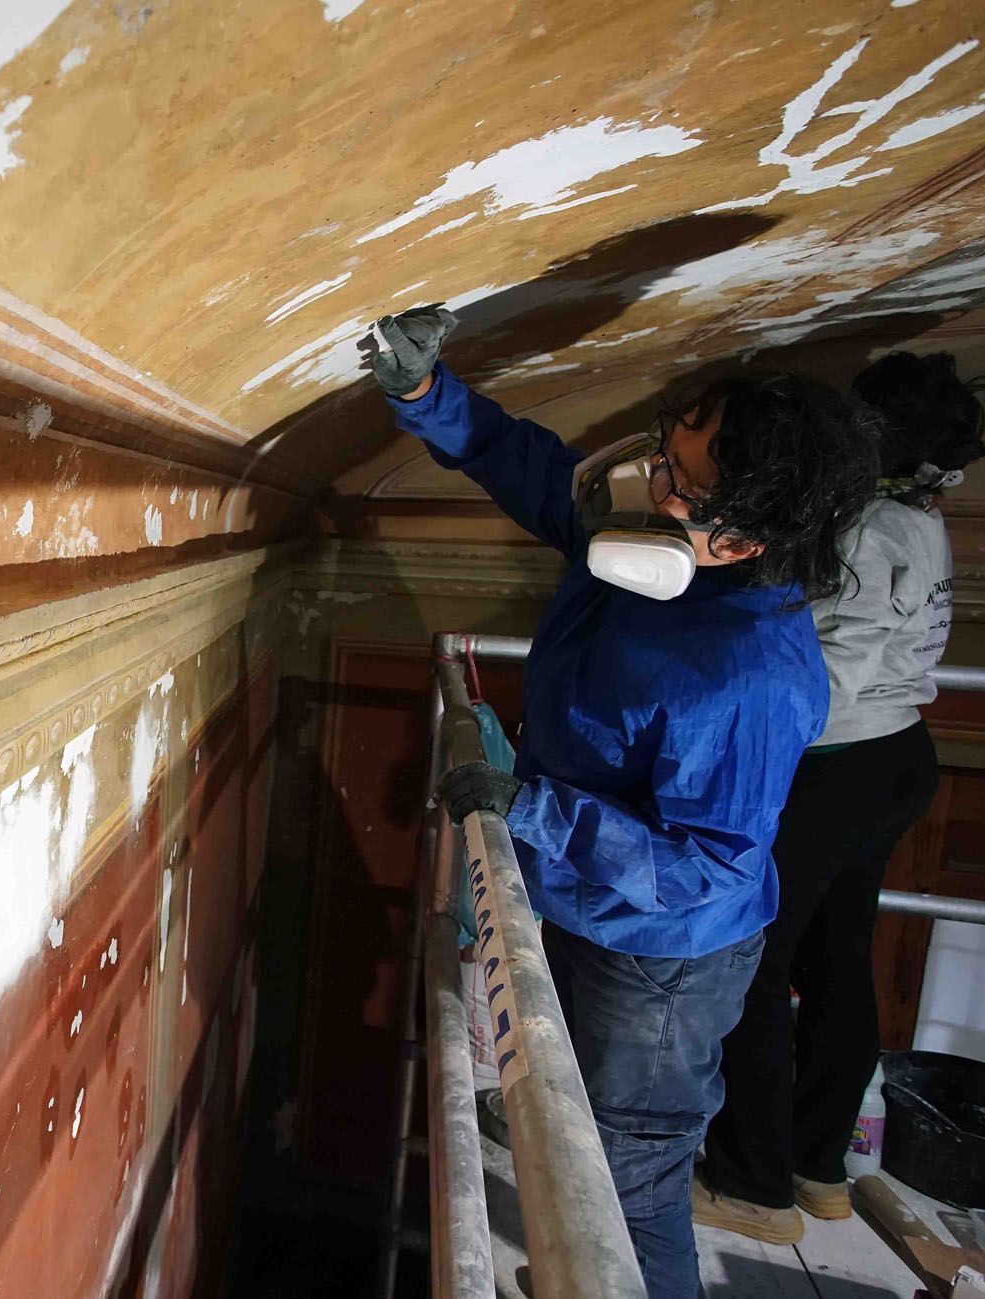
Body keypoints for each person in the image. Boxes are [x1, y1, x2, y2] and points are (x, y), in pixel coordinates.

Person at [361, 306, 877, 1299]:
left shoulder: (744, 674)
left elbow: (702, 866)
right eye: (661, 456)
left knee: (626, 1187)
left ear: (741, 536)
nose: (652, 484)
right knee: (582, 1130)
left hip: (656, 967)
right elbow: (534, 475)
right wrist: (426, 396)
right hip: (586, 908)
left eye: (681, 484)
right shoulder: (644, 542)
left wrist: (531, 810)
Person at [695, 350, 985, 1240]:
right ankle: (814, 1164)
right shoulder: (919, 519)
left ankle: (752, 1184)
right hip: (897, 754)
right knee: (836, 958)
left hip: (838, 759)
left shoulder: (868, 527)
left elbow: (836, 667)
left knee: (751, 959)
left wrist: (745, 731)